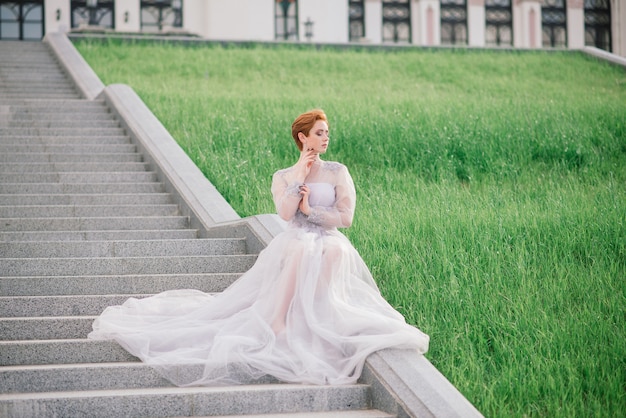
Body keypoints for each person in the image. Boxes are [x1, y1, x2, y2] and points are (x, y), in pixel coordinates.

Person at [88, 109, 429, 386]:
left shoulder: (338, 172)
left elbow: (346, 217)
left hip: (327, 235)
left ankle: (323, 316)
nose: (326, 138)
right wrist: (300, 174)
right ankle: (279, 320)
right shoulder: (284, 175)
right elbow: (283, 213)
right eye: (320, 133)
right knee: (300, 249)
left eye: (327, 132)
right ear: (303, 137)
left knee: (336, 251)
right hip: (295, 236)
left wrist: (312, 211)